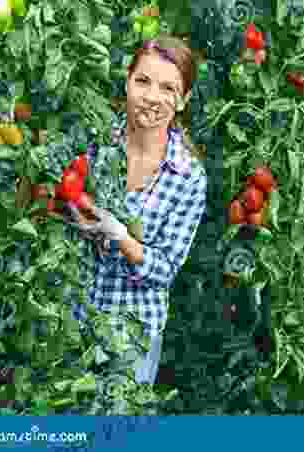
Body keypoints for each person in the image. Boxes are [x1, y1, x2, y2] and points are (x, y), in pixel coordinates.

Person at [64, 35, 207, 384]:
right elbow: (46, 191)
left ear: (183, 100)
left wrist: (119, 236)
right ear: (127, 82)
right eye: (143, 81)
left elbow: (166, 269)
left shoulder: (188, 177)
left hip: (131, 335)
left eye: (168, 88)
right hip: (67, 320)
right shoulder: (94, 141)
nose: (153, 97)